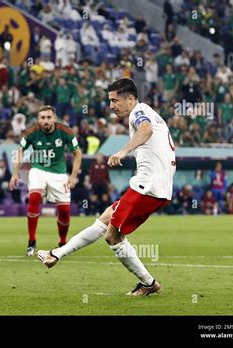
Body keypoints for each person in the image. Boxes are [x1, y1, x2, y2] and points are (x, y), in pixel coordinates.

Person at [37, 78, 176, 296]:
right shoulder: (146, 112)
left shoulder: (139, 112)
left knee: (112, 237)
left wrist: (123, 151)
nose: (111, 105)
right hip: (152, 185)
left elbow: (146, 130)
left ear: (130, 99)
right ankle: (56, 253)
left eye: (115, 100)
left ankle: (149, 284)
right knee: (105, 218)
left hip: (147, 187)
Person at [9, 105, 82, 256]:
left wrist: (73, 176)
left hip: (59, 174)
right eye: (42, 118)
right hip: (38, 170)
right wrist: (15, 173)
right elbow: (20, 150)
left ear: (54, 118)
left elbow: (77, 152)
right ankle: (31, 241)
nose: (46, 121)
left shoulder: (65, 131)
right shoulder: (32, 132)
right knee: (34, 198)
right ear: (38, 120)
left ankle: (62, 242)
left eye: (49, 117)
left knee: (64, 212)